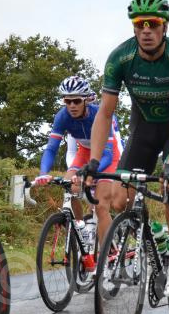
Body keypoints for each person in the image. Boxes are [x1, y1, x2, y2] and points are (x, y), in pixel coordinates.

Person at [86, 0, 169, 298]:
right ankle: (158, 236)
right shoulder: (120, 58)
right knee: (121, 199)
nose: (146, 30)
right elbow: (105, 113)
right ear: (134, 28)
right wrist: (94, 161)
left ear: (164, 27)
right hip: (144, 128)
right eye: (139, 24)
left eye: (153, 24)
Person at [35, 76, 121, 269]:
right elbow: (51, 149)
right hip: (85, 152)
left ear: (86, 100)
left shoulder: (99, 114)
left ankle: (109, 253)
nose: (71, 105)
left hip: (108, 154)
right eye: (67, 101)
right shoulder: (62, 116)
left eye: (76, 101)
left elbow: (106, 154)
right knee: (68, 185)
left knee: (100, 205)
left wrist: (88, 173)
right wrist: (43, 173)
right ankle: (81, 228)